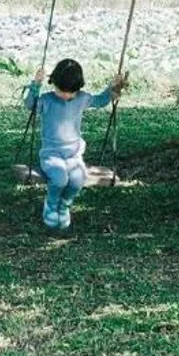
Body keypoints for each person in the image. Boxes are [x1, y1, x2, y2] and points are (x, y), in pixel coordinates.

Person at [31, 57, 124, 231]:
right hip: (51, 154)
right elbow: (30, 104)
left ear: (78, 87)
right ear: (54, 83)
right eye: (62, 91)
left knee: (77, 179)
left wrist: (113, 87)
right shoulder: (46, 100)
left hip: (74, 155)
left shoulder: (82, 98)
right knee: (59, 178)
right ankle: (51, 205)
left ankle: (64, 206)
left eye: (71, 92)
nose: (66, 95)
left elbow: (101, 100)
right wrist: (35, 84)